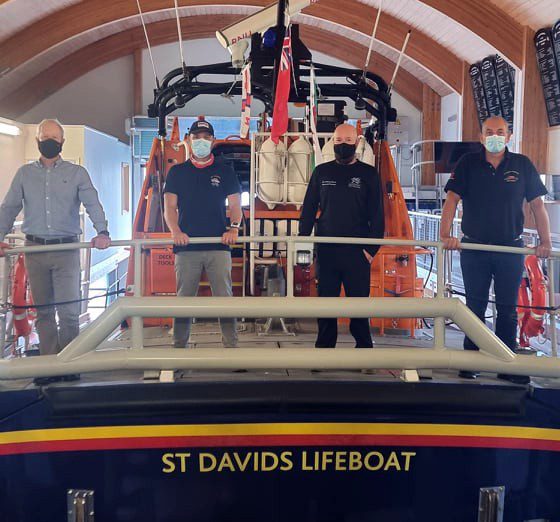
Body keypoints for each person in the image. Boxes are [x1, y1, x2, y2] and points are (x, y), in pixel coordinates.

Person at [441, 115, 551, 384]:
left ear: (509, 136)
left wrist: (546, 242)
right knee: (474, 307)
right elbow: (452, 200)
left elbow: (538, 206)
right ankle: (471, 361)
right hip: (474, 248)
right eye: (489, 132)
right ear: (481, 136)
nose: (494, 136)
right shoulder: (467, 163)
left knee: (507, 308)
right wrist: (446, 235)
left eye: (500, 132)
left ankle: (507, 363)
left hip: (510, 250)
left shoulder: (522, 165)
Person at [0, 119, 111, 380]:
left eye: (54, 137)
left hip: (67, 250)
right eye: (44, 136)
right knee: (44, 313)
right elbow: (9, 207)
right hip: (34, 250)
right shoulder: (24, 174)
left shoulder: (76, 174)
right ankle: (49, 366)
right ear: (38, 140)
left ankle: (70, 365)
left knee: (70, 312)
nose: (49, 140)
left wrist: (102, 232)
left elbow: (92, 203)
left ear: (62, 142)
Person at [299, 123, 384, 348]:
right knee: (326, 304)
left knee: (359, 306)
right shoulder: (322, 171)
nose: (343, 145)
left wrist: (370, 251)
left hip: (357, 252)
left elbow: (377, 214)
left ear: (356, 143)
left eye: (347, 141)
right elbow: (308, 208)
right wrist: (302, 242)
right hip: (327, 250)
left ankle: (364, 349)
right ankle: (324, 350)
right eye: (338, 141)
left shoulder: (368, 174)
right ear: (332, 143)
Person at [164, 119, 242, 348]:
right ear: (189, 140)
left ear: (213, 141)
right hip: (186, 248)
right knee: (184, 302)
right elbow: (169, 207)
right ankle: (179, 347)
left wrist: (234, 228)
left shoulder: (225, 171)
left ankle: (231, 347)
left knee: (224, 300)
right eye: (197, 137)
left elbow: (236, 205)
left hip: (218, 246)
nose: (201, 142)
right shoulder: (177, 173)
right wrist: (175, 231)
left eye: (206, 138)